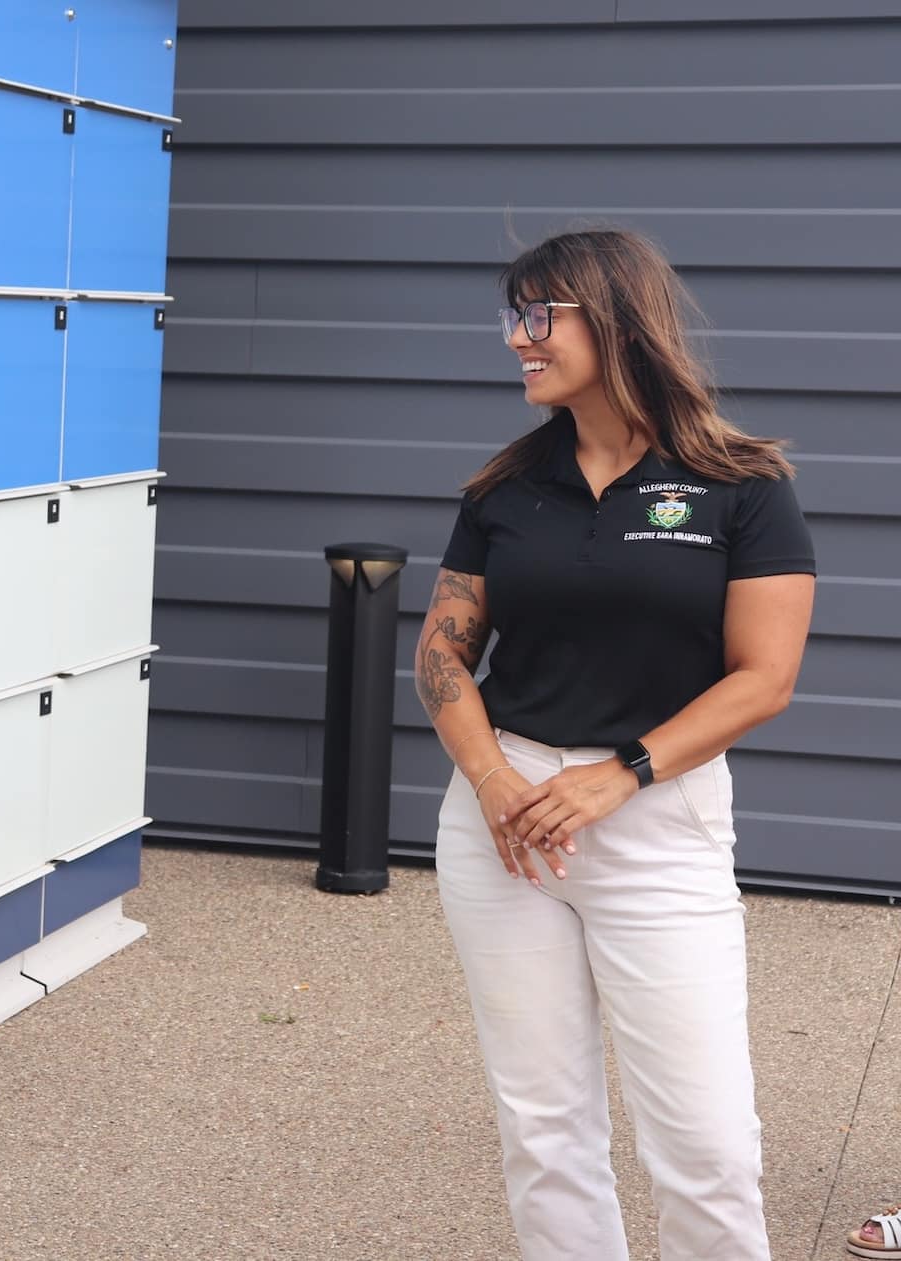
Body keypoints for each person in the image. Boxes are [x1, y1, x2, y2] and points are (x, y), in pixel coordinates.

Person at [420, 227, 816, 1261]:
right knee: (544, 1128)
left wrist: (621, 772)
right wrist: (497, 779)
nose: (518, 340)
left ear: (616, 318)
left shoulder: (742, 482)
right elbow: (443, 657)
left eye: (537, 315)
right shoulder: (506, 488)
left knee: (709, 1142)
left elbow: (764, 678)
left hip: (657, 817)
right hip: (501, 824)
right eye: (514, 317)